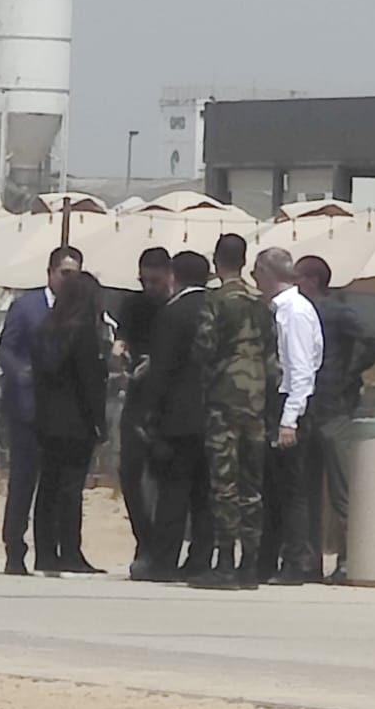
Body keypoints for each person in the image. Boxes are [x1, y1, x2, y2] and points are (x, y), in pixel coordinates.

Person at [191, 234, 279, 591]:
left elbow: (204, 348)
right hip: (256, 402)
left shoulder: (214, 301)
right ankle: (250, 565)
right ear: (244, 261)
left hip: (224, 400)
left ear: (216, 261)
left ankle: (225, 562)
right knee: (252, 485)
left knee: (224, 484)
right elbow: (273, 358)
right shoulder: (262, 305)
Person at [294, 254, 375, 584]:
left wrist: (350, 373)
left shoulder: (335, 312)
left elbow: (374, 341)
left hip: (334, 410)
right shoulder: (299, 313)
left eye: (298, 277)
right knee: (306, 490)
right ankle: (309, 560)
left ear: (312, 280)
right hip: (307, 410)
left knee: (340, 489)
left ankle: (348, 559)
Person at [0, 244, 83, 575]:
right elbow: (5, 349)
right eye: (64, 273)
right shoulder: (26, 307)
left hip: (61, 412)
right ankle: (14, 548)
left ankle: (52, 551)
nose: (69, 280)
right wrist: (20, 373)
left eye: (75, 274)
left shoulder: (80, 310)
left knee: (56, 483)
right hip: (27, 408)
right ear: (50, 273)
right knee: (23, 480)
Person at [253, 247, 324, 585]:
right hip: (279, 402)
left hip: (290, 404)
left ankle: (296, 561)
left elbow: (301, 369)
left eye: (257, 272)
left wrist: (289, 420)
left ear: (268, 273)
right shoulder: (278, 310)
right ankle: (266, 560)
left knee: (292, 489)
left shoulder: (294, 312)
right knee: (273, 488)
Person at [30, 270, 109, 575]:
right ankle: (70, 551)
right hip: (77, 420)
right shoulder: (84, 332)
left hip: (47, 418)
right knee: (71, 488)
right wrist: (99, 423)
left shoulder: (45, 328)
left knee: (48, 486)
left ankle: (45, 552)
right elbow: (89, 381)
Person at [139, 250, 211, 581]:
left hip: (178, 416)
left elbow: (163, 369)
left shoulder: (173, 313)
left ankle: (164, 561)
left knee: (173, 492)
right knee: (204, 494)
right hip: (214, 413)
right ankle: (200, 559)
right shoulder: (215, 308)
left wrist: (150, 413)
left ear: (174, 275)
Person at [116, 247, 173, 572]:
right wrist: (120, 351)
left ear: (168, 276)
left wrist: (155, 363)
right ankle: (144, 540)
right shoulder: (133, 304)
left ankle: (162, 548)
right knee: (130, 472)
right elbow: (123, 336)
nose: (149, 287)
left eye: (155, 281)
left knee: (166, 477)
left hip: (167, 402)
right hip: (137, 397)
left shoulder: (175, 307)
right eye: (144, 281)